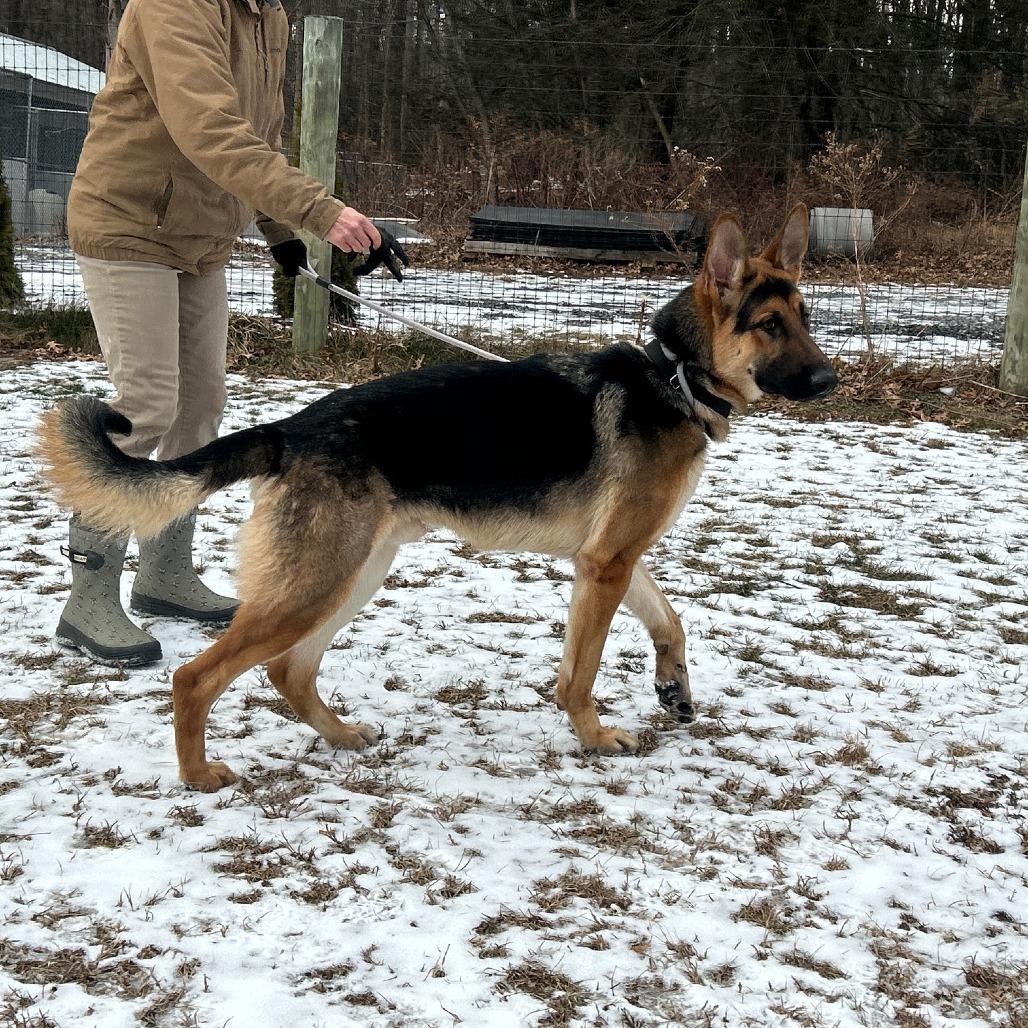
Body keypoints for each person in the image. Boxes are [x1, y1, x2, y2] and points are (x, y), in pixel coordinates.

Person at [57, 0, 407, 666]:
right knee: (147, 404)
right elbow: (211, 131)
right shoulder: (171, 6)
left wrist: (281, 236)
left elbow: (259, 137)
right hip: (128, 222)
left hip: (201, 235)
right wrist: (323, 214)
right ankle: (88, 594)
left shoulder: (266, 15)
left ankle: (165, 574)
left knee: (201, 408)